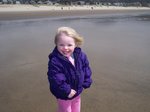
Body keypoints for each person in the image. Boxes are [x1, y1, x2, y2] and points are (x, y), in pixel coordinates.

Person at [47, 27, 92, 112]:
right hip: (64, 94)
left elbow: (86, 68)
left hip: (78, 91)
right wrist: (67, 91)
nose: (65, 48)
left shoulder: (81, 56)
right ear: (56, 44)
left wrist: (87, 80)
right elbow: (55, 78)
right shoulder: (55, 61)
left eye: (69, 45)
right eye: (61, 45)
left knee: (76, 109)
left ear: (75, 44)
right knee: (66, 110)